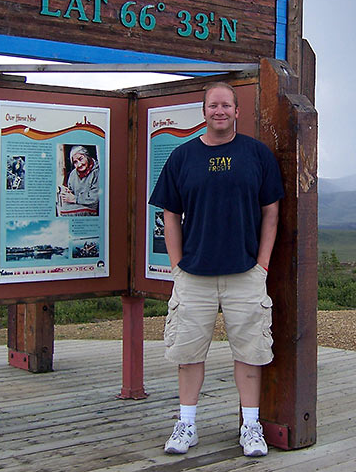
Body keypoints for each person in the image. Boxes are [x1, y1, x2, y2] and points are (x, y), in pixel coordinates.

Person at [149, 81, 284, 457]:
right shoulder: (182, 157)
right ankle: (186, 424)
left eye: (226, 105)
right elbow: (170, 214)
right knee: (189, 354)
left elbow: (271, 212)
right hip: (194, 275)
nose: (219, 111)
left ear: (237, 111)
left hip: (245, 273)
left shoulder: (257, 155)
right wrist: (177, 266)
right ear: (204, 111)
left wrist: (262, 265)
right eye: (213, 106)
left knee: (251, 353)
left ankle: (251, 427)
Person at [59, 145, 100, 215]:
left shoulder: (97, 172)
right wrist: (68, 192)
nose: (79, 164)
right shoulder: (73, 174)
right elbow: (71, 190)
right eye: (75, 162)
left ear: (87, 156)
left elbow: (94, 199)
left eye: (81, 159)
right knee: (62, 208)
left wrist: (75, 199)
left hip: (91, 206)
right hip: (78, 203)